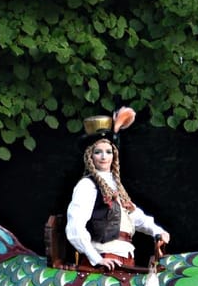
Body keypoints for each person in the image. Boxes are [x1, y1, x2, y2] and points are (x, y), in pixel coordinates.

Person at [65, 107, 170, 269]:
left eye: (108, 151)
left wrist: (156, 230)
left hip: (125, 256)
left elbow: (133, 215)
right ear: (90, 156)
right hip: (104, 258)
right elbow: (75, 226)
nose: (103, 156)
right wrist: (96, 258)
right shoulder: (87, 185)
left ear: (114, 155)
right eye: (98, 152)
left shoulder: (115, 185)